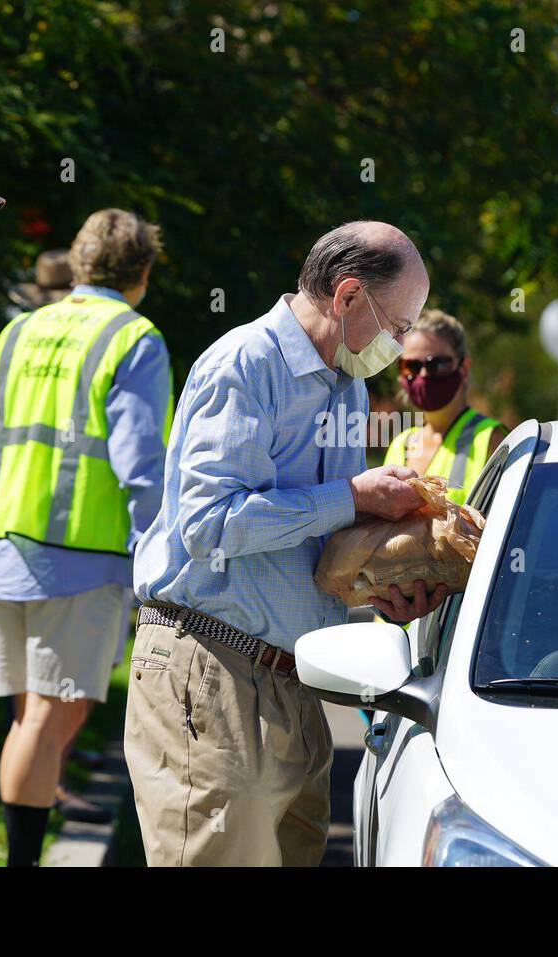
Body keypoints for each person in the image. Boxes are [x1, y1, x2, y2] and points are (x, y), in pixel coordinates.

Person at [126, 220, 446, 867]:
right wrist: (354, 496)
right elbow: (208, 523)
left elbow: (317, 539)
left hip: (296, 680)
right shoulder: (245, 365)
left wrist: (384, 583)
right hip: (209, 665)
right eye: (395, 324)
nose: (397, 345)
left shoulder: (348, 385)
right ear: (349, 295)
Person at [0, 209, 173, 867]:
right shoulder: (135, 338)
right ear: (143, 272)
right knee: (45, 719)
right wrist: (163, 558)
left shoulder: (17, 331)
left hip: (5, 542)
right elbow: (142, 465)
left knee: (31, 718)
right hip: (80, 557)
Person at [383, 308, 505, 506]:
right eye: (411, 366)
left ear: (463, 368)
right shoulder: (400, 444)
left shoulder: (492, 439)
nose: (423, 375)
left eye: (436, 364)